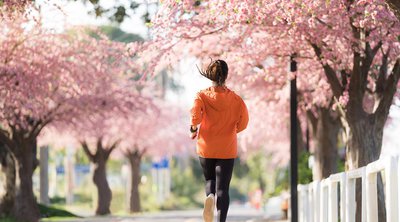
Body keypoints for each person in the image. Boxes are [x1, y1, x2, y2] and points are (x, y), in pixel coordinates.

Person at [189, 59, 249, 222]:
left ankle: (210, 196)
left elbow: (195, 115)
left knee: (210, 180)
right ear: (226, 75)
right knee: (223, 188)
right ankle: (221, 220)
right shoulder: (236, 99)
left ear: (210, 75)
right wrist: (232, 130)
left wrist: (194, 128)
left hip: (206, 147)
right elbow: (243, 122)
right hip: (227, 148)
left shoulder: (201, 95)